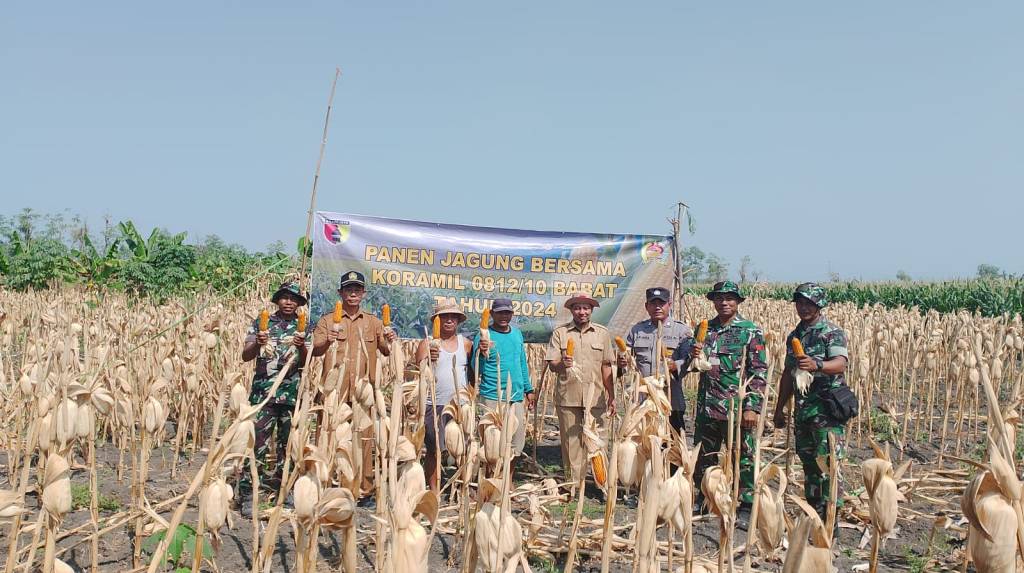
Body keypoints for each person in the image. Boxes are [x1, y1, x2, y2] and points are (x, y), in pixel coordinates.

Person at [311, 270, 396, 501]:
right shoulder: (327, 321)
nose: (352, 294)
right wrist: (328, 338)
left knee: (364, 439)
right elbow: (315, 350)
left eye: (357, 290)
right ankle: (326, 483)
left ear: (363, 293)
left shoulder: (374, 322)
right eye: (348, 289)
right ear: (340, 292)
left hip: (362, 392)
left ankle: (365, 489)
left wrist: (391, 338)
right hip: (334, 391)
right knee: (328, 436)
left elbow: (387, 351)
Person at [773, 283, 851, 524]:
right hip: (804, 411)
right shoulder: (794, 336)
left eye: (809, 303)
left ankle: (831, 519)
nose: (804, 307)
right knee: (808, 464)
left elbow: (840, 363)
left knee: (828, 463)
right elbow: (788, 374)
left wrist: (817, 365)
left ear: (819, 305)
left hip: (827, 409)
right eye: (800, 303)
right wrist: (779, 408)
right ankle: (814, 513)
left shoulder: (831, 332)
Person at [690, 281, 767, 512]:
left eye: (730, 298)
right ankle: (705, 498)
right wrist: (696, 357)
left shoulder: (750, 331)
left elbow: (758, 372)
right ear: (713, 301)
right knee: (705, 455)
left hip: (736, 407)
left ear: (738, 302)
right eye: (719, 298)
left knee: (743, 456)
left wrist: (752, 407)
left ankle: (746, 504)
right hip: (708, 406)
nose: (724, 302)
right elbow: (699, 367)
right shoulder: (706, 328)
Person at [238, 282, 311, 516]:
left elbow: (306, 362)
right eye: (285, 298)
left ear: (300, 303)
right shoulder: (263, 324)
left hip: (291, 395)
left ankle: (287, 490)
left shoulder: (305, 328)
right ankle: (248, 494)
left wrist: (302, 348)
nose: (289, 302)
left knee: (288, 446)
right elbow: (246, 355)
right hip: (263, 394)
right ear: (277, 300)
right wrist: (258, 343)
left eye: (294, 299)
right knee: (256, 444)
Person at [546, 294, 615, 489]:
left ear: (591, 310)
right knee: (572, 445)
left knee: (598, 444)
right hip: (569, 397)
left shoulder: (602, 333)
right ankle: (573, 486)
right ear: (571, 311)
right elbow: (553, 365)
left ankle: (602, 486)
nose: (582, 312)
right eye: (578, 308)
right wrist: (563, 364)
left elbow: (606, 366)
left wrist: (612, 395)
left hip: (597, 399)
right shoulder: (560, 333)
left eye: (586, 308)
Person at [618, 287, 694, 435]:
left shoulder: (682, 331)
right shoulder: (637, 330)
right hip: (643, 399)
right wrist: (622, 364)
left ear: (669, 305)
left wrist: (674, 365)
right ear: (647, 306)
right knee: (643, 444)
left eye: (662, 303)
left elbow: (690, 362)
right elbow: (627, 361)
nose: (657, 307)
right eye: (653, 303)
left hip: (670, 399)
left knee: (673, 447)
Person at [415, 300, 472, 492]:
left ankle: (464, 487)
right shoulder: (426, 343)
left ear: (458, 321)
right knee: (434, 449)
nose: (449, 320)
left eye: (452, 317)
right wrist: (427, 360)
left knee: (463, 448)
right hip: (435, 403)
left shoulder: (466, 344)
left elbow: (472, 372)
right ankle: (433, 489)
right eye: (444, 317)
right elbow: (415, 372)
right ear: (437, 320)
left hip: (459, 405)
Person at [470, 298, 535, 463]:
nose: (503, 316)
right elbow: (476, 367)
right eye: (499, 313)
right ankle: (492, 479)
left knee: (514, 442)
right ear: (492, 314)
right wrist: (480, 353)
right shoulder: (483, 336)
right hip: (492, 396)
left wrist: (528, 389)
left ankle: (508, 480)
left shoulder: (516, 334)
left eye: (507, 312)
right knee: (492, 444)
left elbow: (521, 362)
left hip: (516, 396)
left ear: (512, 314)